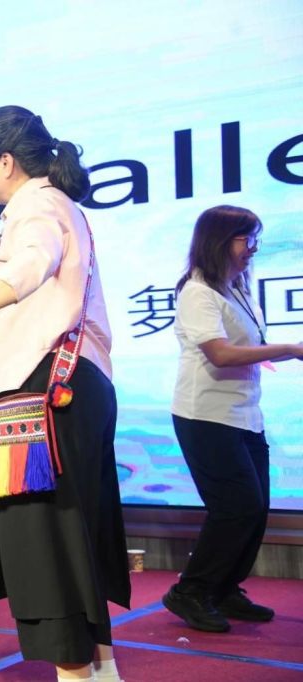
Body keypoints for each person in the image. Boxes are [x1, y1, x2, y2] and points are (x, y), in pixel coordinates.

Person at [0, 106, 131, 682]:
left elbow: (34, 266)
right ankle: (101, 671)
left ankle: (78, 675)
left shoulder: (35, 207)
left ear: (5, 161)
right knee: (73, 541)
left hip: (50, 396)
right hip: (73, 386)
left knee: (50, 546)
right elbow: (44, 304)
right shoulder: (55, 205)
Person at [162, 206, 303, 633]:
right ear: (219, 241)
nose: (253, 249)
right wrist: (290, 349)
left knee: (255, 509)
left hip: (245, 415)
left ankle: (223, 589)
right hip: (205, 415)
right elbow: (220, 354)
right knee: (235, 507)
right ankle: (190, 590)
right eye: (246, 239)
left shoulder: (236, 287)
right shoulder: (197, 292)